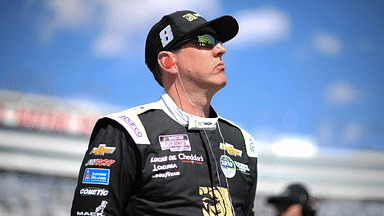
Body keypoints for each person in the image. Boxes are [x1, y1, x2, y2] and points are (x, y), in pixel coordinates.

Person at [71, 10, 258, 216]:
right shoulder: (127, 131)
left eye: (219, 41)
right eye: (206, 40)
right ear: (168, 62)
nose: (221, 49)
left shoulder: (242, 142)